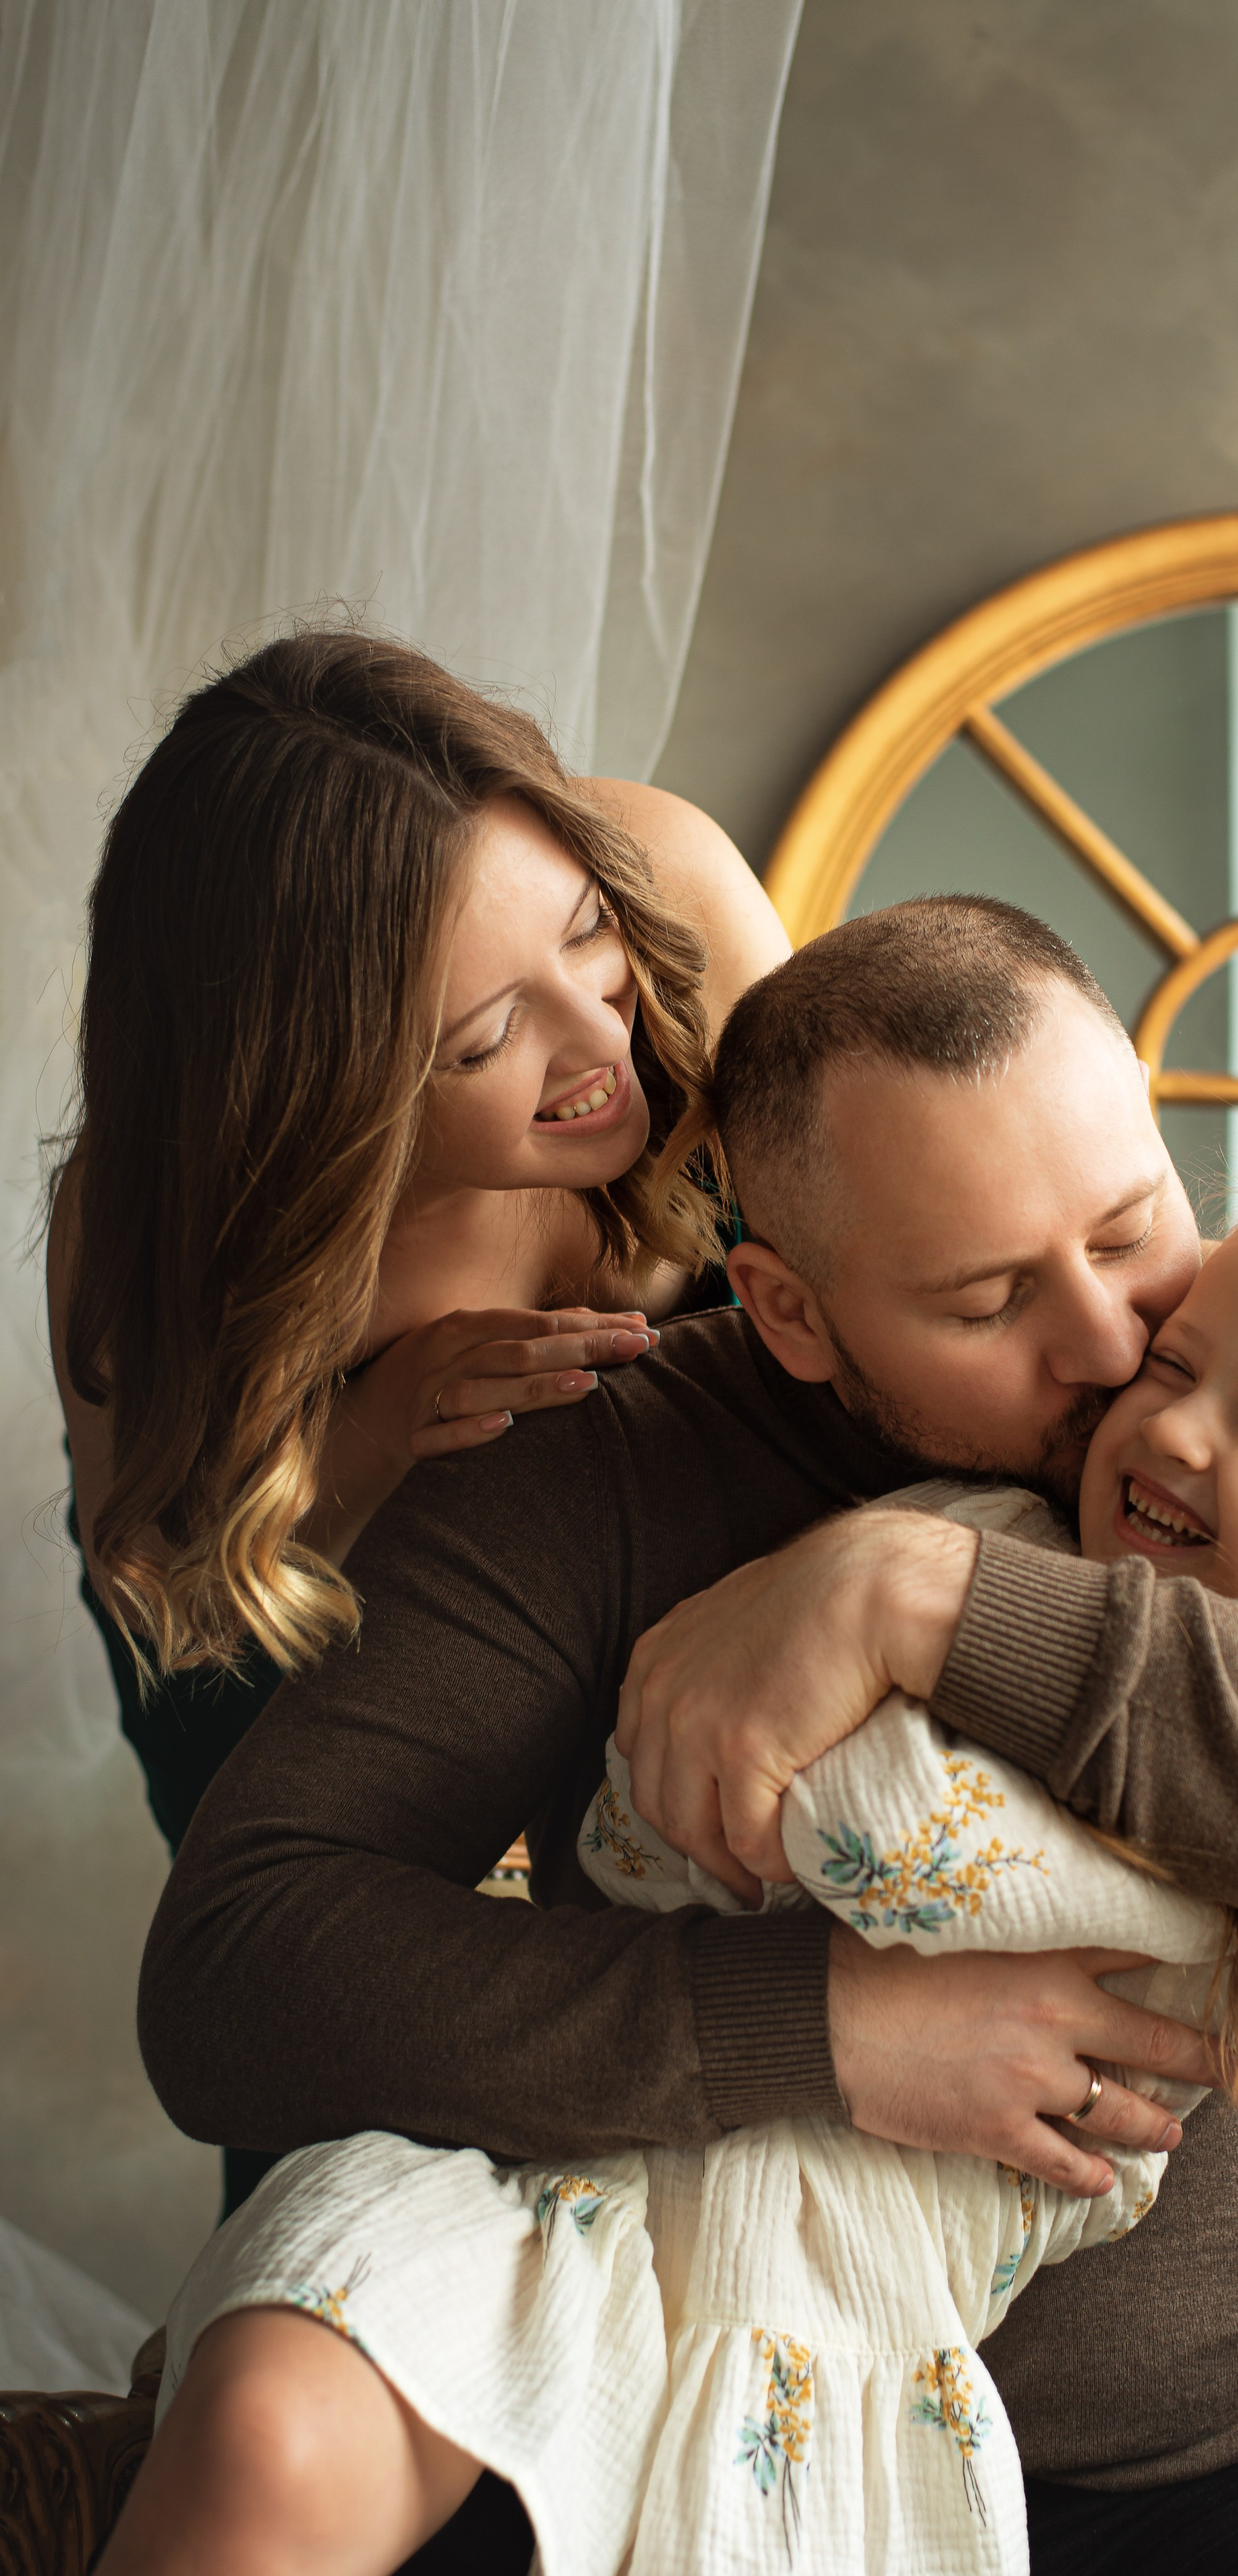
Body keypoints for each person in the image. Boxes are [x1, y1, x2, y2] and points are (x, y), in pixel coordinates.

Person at [129, 899, 1238, 2576]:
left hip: (1230, 2476)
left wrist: (916, 1589)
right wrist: (826, 2028)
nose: (1112, 1346)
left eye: (1133, 1227)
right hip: (690, 2409)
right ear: (787, 1311)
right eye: (988, 1300)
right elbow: (236, 1974)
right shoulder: (589, 1468)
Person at [44, 627, 788, 2206]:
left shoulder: (674, 887)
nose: (601, 1044)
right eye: (478, 1040)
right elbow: (183, 1645)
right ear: (321, 1096)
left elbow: (896, 1284)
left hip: (761, 1741)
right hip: (383, 1773)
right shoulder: (149, 1224)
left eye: (585, 933)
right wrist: (374, 1444)